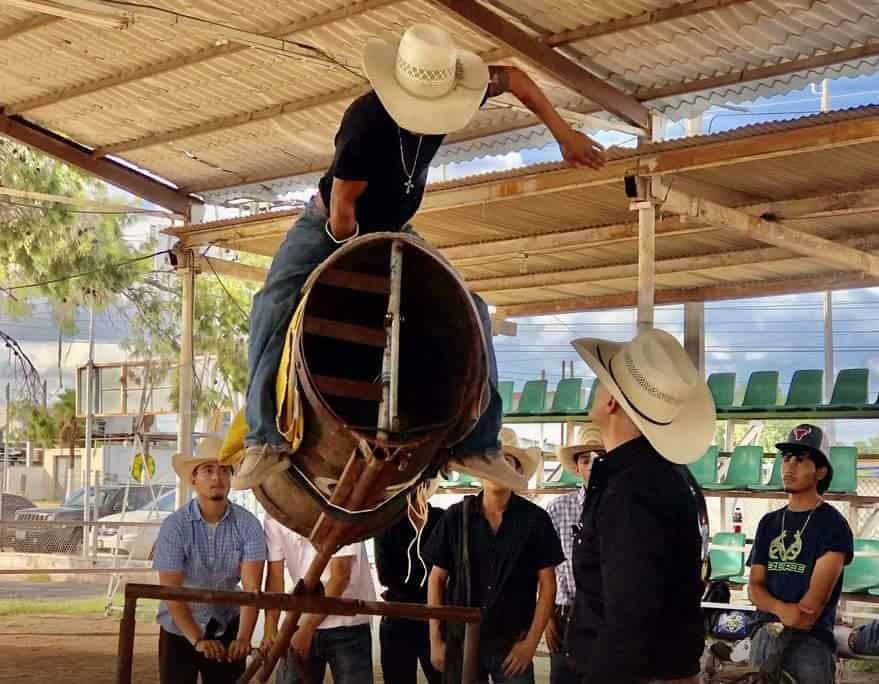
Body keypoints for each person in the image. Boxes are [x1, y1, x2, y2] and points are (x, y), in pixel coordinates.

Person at [233, 22, 606, 490]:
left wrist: (563, 133)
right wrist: (351, 260)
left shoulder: (461, 90)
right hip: (332, 226)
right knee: (272, 303)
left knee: (472, 305)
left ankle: (479, 443)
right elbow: (344, 208)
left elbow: (515, 78)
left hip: (396, 225)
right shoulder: (365, 121)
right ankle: (264, 439)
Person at [568, 328, 713, 684]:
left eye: (601, 383)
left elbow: (630, 619)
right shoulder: (664, 477)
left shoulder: (630, 488)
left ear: (612, 403)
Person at [424, 436, 564, 683]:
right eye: (490, 461)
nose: (497, 469)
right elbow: (436, 578)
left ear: (517, 471)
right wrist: (435, 640)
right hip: (461, 641)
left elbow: (548, 583)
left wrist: (531, 643)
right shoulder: (455, 517)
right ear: (478, 471)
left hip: (513, 644)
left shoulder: (536, 519)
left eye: (506, 461)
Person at [153, 435, 266, 684]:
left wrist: (244, 638)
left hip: (227, 625)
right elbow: (171, 590)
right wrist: (198, 639)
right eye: (208, 470)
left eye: (224, 470)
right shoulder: (175, 526)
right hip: (179, 629)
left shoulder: (248, 525)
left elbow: (251, 587)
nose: (217, 477)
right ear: (193, 479)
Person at [747, 424, 854, 683]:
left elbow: (809, 612)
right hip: (764, 635)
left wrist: (776, 608)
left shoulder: (833, 525)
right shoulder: (769, 522)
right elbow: (754, 587)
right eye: (786, 458)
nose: (789, 466)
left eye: (801, 459)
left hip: (810, 644)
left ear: (821, 471)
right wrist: (781, 609)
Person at [261, 515, 376, 684]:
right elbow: (275, 577)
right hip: (299, 618)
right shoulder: (274, 516)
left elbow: (340, 576)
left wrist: (307, 629)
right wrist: (270, 626)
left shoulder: (344, 509)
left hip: (346, 622)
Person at [544, 425, 604, 684]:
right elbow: (543, 570)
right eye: (584, 459)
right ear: (577, 468)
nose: (591, 464)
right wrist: (547, 617)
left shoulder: (626, 509)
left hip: (610, 616)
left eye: (599, 458)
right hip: (565, 614)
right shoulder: (558, 509)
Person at [374, 476, 445, 684]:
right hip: (398, 618)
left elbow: (448, 570)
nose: (421, 486)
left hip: (435, 618)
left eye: (429, 480)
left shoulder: (442, 519)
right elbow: (386, 575)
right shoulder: (387, 522)